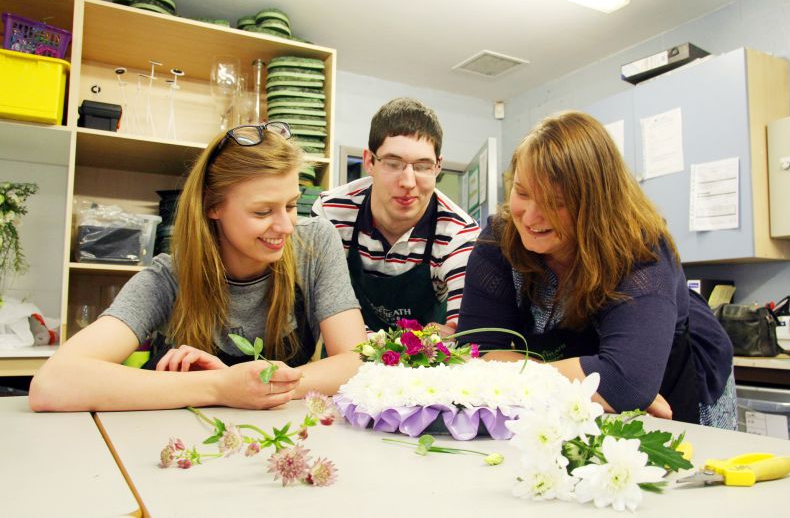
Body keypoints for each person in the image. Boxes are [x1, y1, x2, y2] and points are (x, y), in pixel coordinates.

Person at [30, 122, 366, 412]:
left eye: (291, 205)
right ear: (212, 205)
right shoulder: (168, 276)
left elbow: (356, 361)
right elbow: (53, 383)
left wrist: (258, 386)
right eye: (263, 212)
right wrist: (220, 386)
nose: (286, 226)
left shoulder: (315, 243)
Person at [456, 111, 736, 428]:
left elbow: (627, 382)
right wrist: (600, 384)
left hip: (678, 385)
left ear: (595, 203)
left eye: (555, 203)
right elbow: (473, 353)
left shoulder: (640, 249)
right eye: (522, 193)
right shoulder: (499, 239)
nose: (530, 217)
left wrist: (617, 383)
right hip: (569, 401)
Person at [312, 98, 478, 336]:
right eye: (393, 164)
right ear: (369, 161)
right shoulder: (331, 213)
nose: (408, 182)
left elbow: (463, 334)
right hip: (347, 344)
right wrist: (378, 348)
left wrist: (444, 338)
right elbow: (324, 305)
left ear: (438, 167)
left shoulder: (458, 234)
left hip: (428, 355)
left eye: (422, 166)